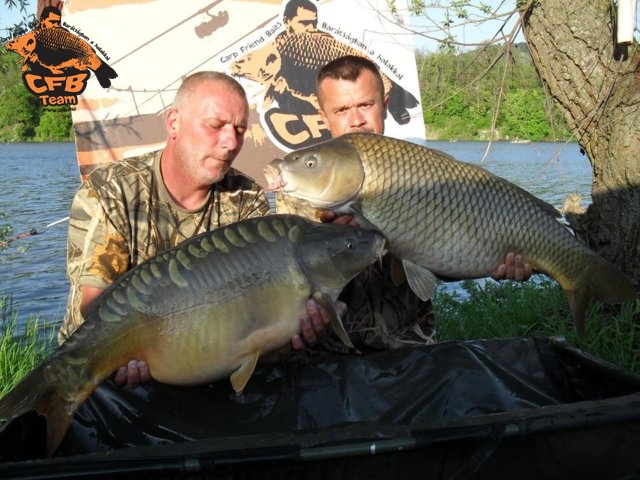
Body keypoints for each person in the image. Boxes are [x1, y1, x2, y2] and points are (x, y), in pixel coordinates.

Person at [59, 71, 332, 387]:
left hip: (197, 358)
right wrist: (132, 345)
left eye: (240, 131)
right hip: (96, 359)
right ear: (174, 122)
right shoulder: (110, 191)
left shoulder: (245, 197)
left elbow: (252, 309)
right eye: (215, 126)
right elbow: (93, 302)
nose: (230, 143)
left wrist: (288, 327)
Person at [278, 55, 532, 352]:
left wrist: (494, 260)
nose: (356, 120)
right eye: (342, 109)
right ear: (324, 115)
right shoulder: (297, 191)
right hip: (329, 354)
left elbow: (446, 259)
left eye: (365, 105)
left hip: (412, 348)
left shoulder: (419, 169)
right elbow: (292, 288)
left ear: (385, 104)